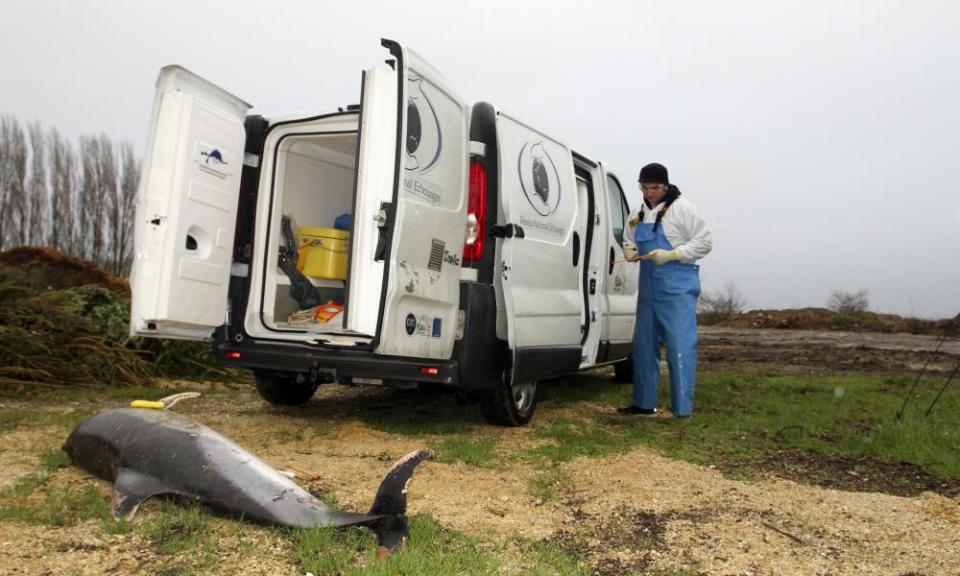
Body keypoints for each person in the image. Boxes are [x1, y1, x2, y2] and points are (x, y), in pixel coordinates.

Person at [619, 163, 712, 418]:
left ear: (666, 186)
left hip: (678, 286)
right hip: (648, 287)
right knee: (644, 345)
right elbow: (628, 237)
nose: (650, 193)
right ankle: (644, 405)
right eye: (645, 187)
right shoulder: (636, 212)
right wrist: (629, 248)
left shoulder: (683, 209)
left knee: (679, 345)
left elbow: (705, 242)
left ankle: (682, 410)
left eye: (655, 188)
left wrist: (674, 254)